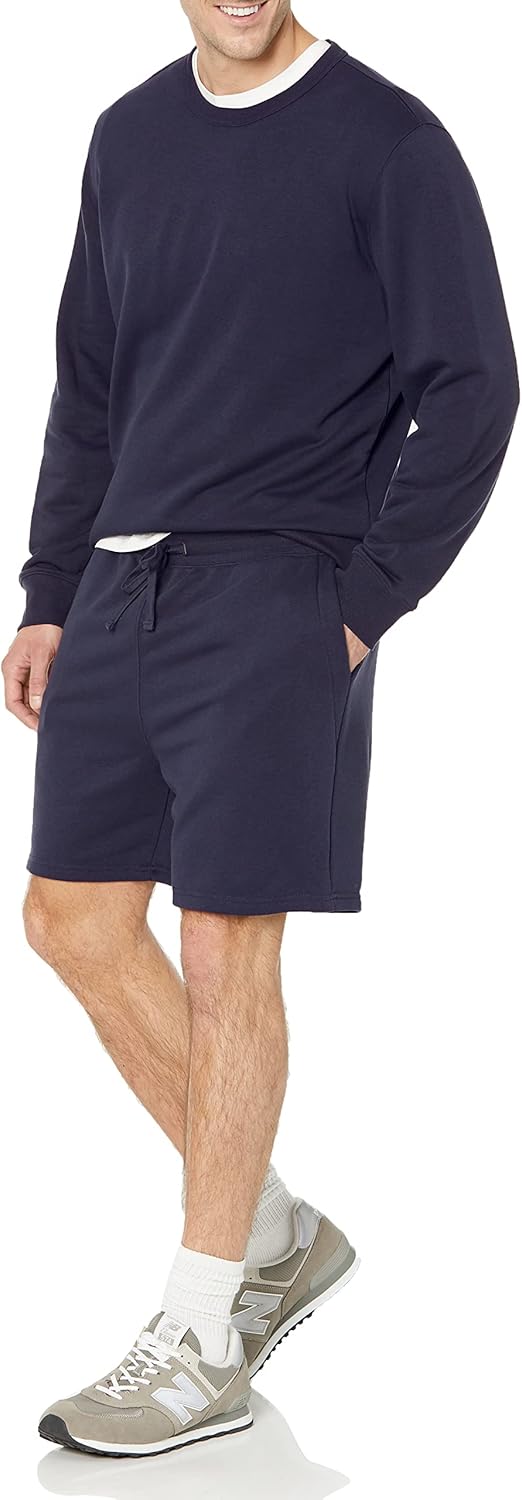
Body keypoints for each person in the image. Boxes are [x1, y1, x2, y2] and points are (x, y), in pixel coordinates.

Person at [3, 0, 518, 1461]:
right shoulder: (127, 137)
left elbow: (473, 383)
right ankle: (276, 1227)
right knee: (70, 921)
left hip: (277, 590)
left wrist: (360, 601)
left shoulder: (387, 141)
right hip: (119, 583)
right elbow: (90, 385)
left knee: (230, 942)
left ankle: (202, 1330)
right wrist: (49, 592)